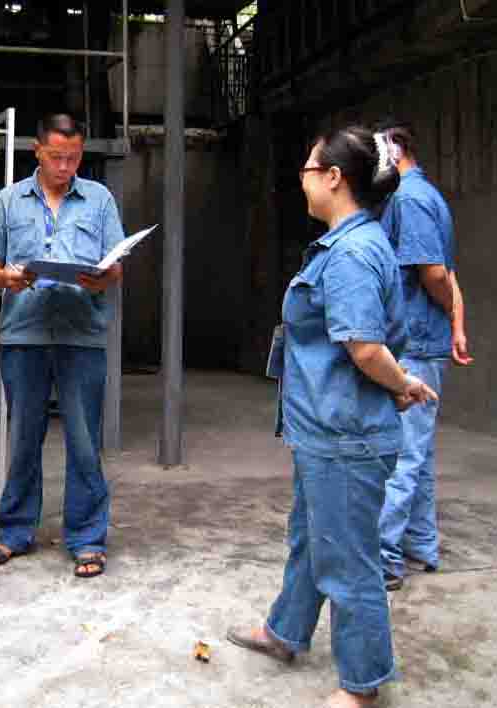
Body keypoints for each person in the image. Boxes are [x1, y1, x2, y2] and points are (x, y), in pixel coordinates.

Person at [226, 126, 438, 708]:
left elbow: (364, 348)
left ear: (334, 178)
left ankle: (362, 685)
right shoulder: (350, 244)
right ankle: (285, 631)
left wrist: (401, 384)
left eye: (307, 169)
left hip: (345, 436)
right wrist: (399, 383)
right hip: (327, 428)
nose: (302, 179)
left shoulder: (351, 254)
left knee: (348, 562)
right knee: (310, 539)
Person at [0, 113, 125, 579]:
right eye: (57, 157)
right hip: (24, 335)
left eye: (74, 158)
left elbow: (117, 266)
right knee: (23, 438)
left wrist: (102, 278)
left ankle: (87, 538)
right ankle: (14, 531)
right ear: (37, 151)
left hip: (82, 336)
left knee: (84, 441)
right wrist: (9, 277)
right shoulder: (8, 200)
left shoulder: (99, 199)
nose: (65, 167)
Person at [373, 119, 473, 592]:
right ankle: (420, 543)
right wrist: (456, 323)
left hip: (413, 341)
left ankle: (384, 558)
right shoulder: (427, 196)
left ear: (395, 152)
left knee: (403, 454)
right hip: (426, 338)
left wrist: (449, 314)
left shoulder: (409, 200)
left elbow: (434, 273)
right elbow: (449, 273)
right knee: (420, 451)